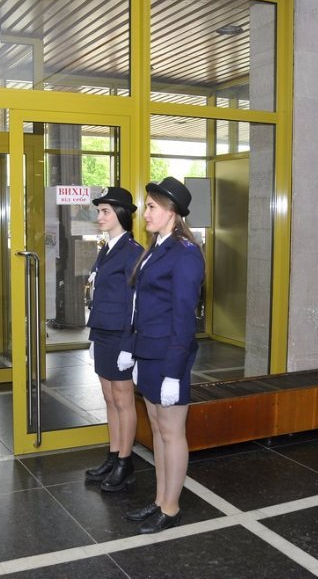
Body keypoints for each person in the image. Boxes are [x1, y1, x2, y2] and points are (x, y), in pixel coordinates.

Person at [119, 177, 204, 534]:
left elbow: (184, 317)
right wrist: (133, 349)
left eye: (152, 207)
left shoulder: (185, 253)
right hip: (150, 352)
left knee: (172, 433)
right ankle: (159, 500)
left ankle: (171, 507)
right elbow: (141, 305)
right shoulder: (156, 248)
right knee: (157, 430)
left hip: (170, 355)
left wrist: (173, 372)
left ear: (172, 212)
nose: (146, 213)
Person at [83, 188, 144, 491]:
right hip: (103, 331)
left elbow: (135, 303)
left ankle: (125, 461)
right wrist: (94, 337)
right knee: (109, 397)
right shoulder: (108, 247)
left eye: (105, 211)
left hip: (120, 335)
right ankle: (113, 453)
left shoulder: (133, 251)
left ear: (121, 214)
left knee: (123, 399)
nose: (100, 216)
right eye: (99, 211)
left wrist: (128, 345)